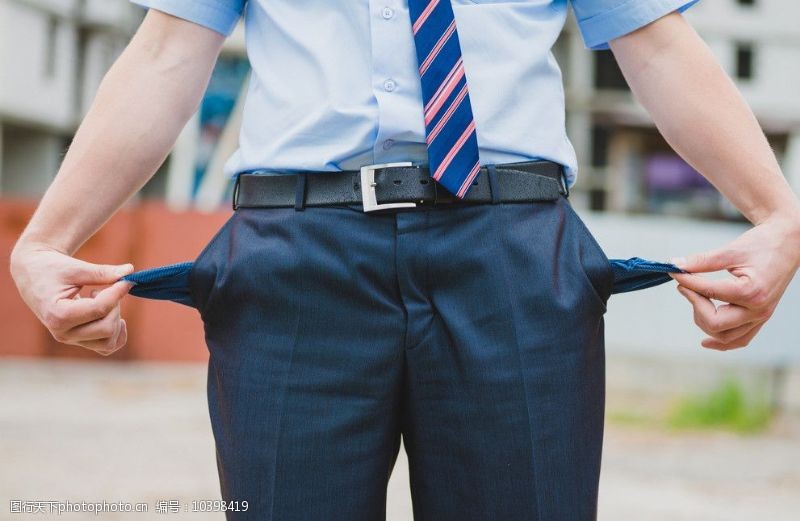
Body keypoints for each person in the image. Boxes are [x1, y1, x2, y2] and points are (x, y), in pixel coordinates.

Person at [10, 1, 800, 519]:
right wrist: (47, 239)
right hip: (298, 257)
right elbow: (166, 50)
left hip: (510, 252)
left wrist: (777, 214)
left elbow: (654, 39)